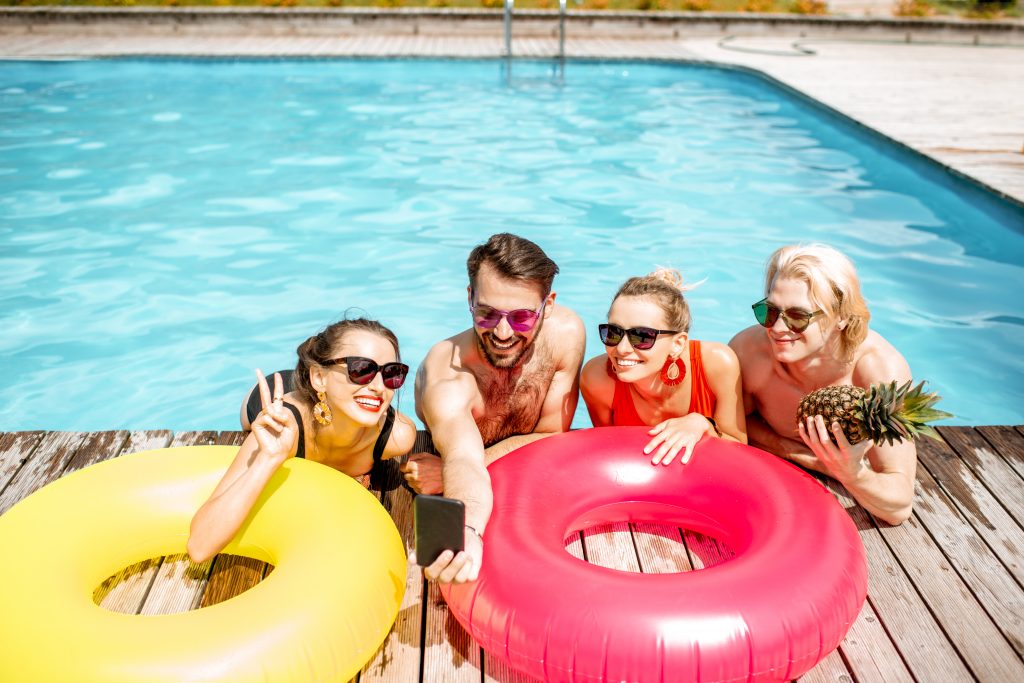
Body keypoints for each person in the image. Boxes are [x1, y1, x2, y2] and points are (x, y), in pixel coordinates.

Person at [405, 233, 585, 584]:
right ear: (470, 298)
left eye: (521, 318)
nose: (503, 332)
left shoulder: (566, 335)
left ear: (548, 305)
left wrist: (444, 473)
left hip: (523, 472)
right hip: (471, 472)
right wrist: (467, 530)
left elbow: (552, 436)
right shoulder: (448, 372)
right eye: (487, 314)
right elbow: (463, 459)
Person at [187, 318, 416, 563]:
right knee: (251, 418)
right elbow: (200, 547)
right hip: (287, 393)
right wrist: (269, 457)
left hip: (327, 398)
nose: (379, 387)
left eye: (391, 373)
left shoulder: (397, 436)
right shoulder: (282, 424)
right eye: (361, 370)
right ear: (319, 376)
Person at [729, 244, 915, 525]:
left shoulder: (878, 372)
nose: (777, 328)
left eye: (797, 317)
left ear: (841, 317)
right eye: (769, 311)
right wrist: (810, 458)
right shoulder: (750, 353)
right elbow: (727, 426)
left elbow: (898, 508)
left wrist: (854, 473)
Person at [580, 269, 746, 465]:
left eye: (641, 336)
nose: (622, 349)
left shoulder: (717, 364)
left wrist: (702, 424)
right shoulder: (598, 380)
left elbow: (740, 450)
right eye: (614, 332)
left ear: (678, 343)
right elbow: (609, 452)